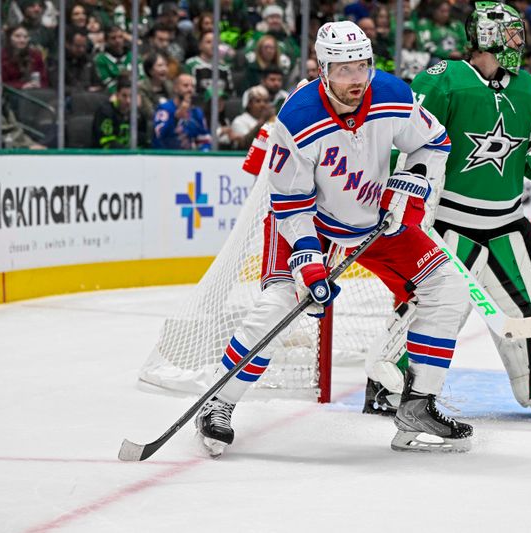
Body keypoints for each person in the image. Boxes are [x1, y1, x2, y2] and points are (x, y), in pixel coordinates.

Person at [195, 20, 473, 456]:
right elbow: (289, 201)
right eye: (344, 69)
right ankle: (219, 402)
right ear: (323, 69)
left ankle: (419, 404)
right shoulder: (298, 117)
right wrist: (308, 260)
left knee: (450, 287)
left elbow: (434, 142)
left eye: (362, 66)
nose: (356, 79)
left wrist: (410, 178)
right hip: (310, 222)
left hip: (376, 219)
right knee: (278, 304)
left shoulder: (393, 95)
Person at [366, 1, 531, 419]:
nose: (518, 43)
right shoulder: (444, 81)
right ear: (485, 37)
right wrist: (401, 199)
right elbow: (410, 143)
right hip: (449, 224)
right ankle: (388, 386)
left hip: (506, 224)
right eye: (510, 35)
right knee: (430, 308)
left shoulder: (529, 90)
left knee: (525, 308)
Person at [152, 73, 211, 150]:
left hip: (187, 157)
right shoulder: (164, 108)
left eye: (192, 86)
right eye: (185, 86)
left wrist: (204, 153)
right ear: (175, 88)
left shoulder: (197, 112)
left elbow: (204, 138)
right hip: (164, 156)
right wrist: (175, 118)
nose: (190, 89)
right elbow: (159, 135)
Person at [93, 73, 148, 149]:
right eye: (124, 96)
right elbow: (106, 143)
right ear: (117, 95)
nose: (128, 101)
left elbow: (143, 142)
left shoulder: (138, 115)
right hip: (108, 157)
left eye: (131, 96)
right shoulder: (105, 112)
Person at [1, 23, 48, 89]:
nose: (22, 40)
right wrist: (21, 86)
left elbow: (44, 81)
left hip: (34, 93)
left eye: (25, 37)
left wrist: (37, 85)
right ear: (9, 38)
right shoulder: (1, 56)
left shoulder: (35, 56)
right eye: (17, 36)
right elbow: (0, 83)